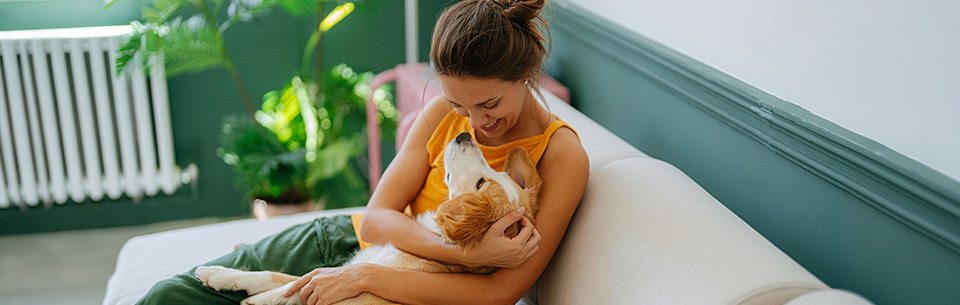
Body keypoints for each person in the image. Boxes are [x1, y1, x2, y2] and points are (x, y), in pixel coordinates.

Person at [135, 0, 588, 304]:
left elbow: (500, 293)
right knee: (169, 297)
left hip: (387, 276)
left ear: (528, 74)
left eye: (489, 104)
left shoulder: (559, 155)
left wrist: (365, 277)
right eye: (459, 105)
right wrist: (468, 256)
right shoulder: (440, 116)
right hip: (347, 241)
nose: (474, 123)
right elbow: (375, 220)